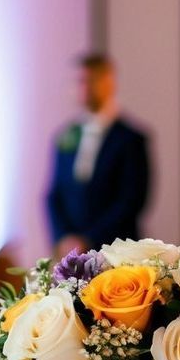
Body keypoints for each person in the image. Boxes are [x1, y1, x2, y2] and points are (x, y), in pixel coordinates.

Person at [46, 53, 151, 257]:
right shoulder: (65, 136)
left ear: (108, 82)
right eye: (78, 81)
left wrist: (89, 239)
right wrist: (64, 238)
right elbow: (54, 194)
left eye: (89, 80)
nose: (82, 88)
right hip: (72, 254)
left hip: (117, 252)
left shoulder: (131, 139)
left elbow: (131, 201)